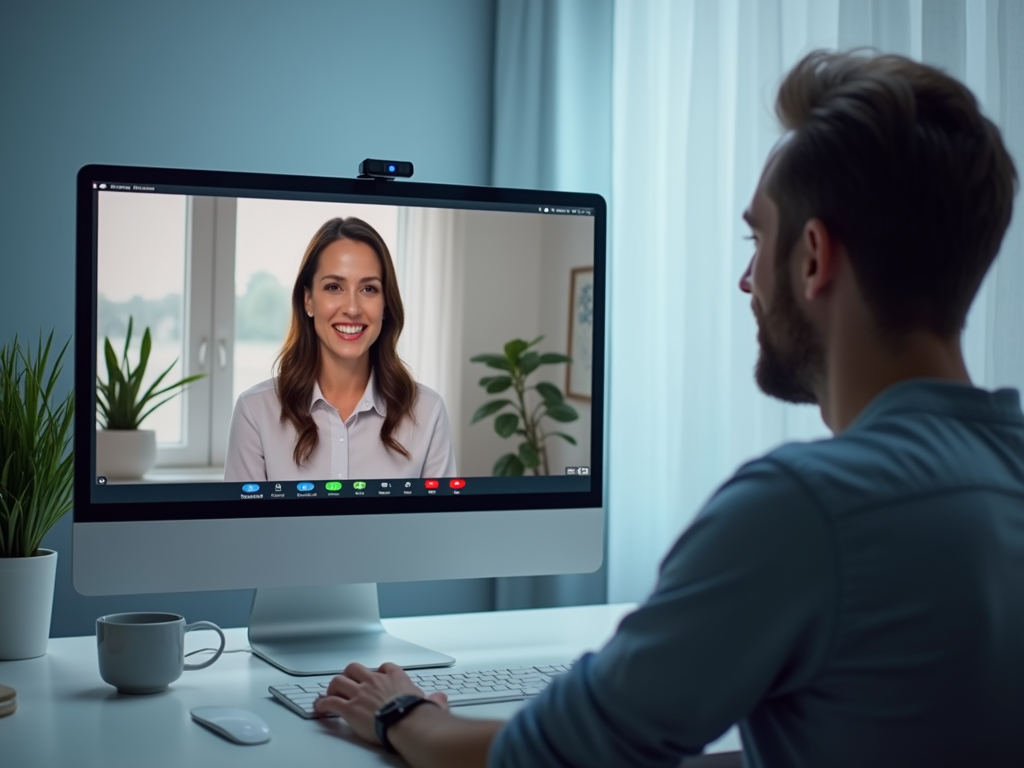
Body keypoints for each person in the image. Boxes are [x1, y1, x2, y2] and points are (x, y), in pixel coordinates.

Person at [312, 51, 1024, 767]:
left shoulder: (805, 509)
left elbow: (549, 757)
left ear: (812, 258)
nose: (747, 280)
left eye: (758, 239)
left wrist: (399, 711)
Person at [224, 217, 456, 482]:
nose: (353, 309)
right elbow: (245, 525)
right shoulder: (255, 412)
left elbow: (439, 523)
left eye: (369, 289)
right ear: (308, 300)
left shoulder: (428, 411)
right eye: (334, 287)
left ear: (385, 305)